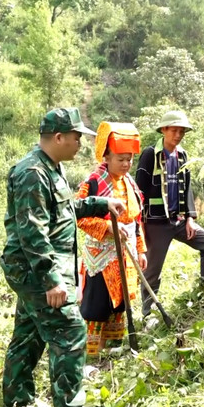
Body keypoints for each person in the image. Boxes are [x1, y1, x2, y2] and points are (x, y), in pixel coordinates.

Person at [0, 107, 126, 407]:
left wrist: (100, 203)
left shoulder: (51, 166)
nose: (80, 143)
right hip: (37, 271)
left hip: (36, 270)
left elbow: (63, 211)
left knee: (28, 336)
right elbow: (33, 231)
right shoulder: (32, 173)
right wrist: (51, 280)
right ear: (59, 137)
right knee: (70, 332)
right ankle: (70, 406)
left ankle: (17, 402)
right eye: (76, 137)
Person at [135, 110, 204, 317]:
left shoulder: (182, 155)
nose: (178, 135)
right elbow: (139, 191)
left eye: (181, 131)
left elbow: (187, 188)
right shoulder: (150, 154)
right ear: (164, 130)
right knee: (152, 270)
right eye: (174, 130)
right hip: (155, 223)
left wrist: (190, 218)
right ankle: (149, 313)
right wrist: (139, 227)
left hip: (179, 220)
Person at [76, 121, 147, 357]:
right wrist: (107, 226)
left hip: (124, 254)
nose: (126, 164)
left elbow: (136, 221)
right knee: (96, 305)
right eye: (120, 159)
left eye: (129, 159)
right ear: (106, 156)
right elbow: (79, 216)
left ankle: (113, 351)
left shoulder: (130, 183)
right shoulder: (94, 182)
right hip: (100, 255)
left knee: (120, 303)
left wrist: (141, 249)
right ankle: (91, 354)